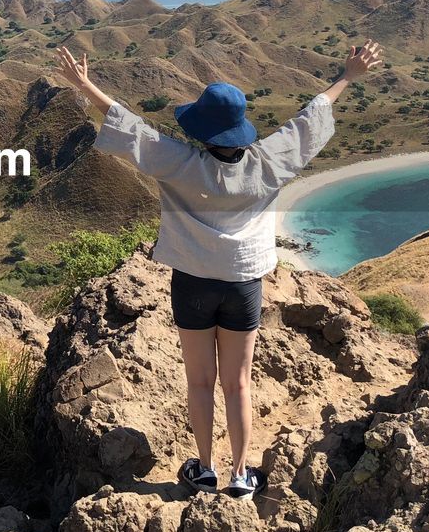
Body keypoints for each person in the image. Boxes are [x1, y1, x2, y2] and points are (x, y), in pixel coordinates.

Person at [53, 40, 384, 498]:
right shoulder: (270, 162)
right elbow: (310, 118)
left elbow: (131, 127)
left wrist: (84, 83)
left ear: (203, 131)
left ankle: (203, 469)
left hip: (191, 283)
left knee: (200, 381)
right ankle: (240, 477)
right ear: (241, 130)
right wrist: (348, 75)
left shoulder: (180, 163)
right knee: (238, 384)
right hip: (244, 283)